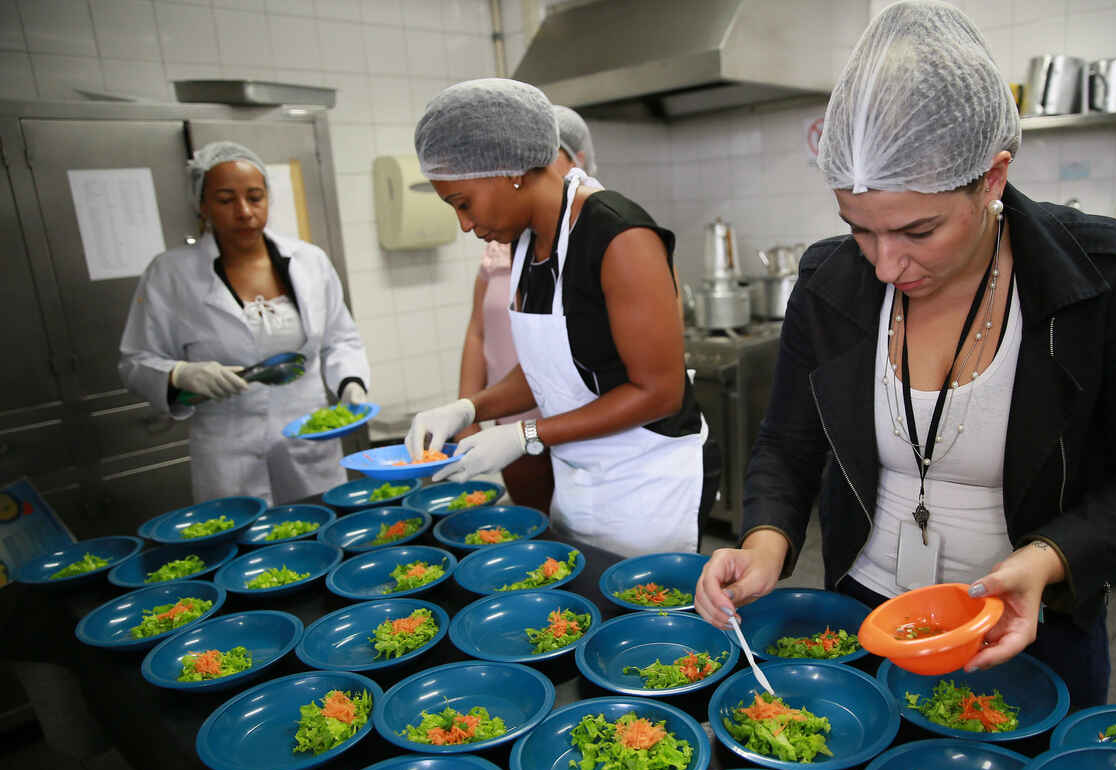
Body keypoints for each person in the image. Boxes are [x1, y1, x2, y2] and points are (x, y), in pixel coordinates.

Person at [693, 0, 1116, 707]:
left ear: (992, 176)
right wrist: (765, 541)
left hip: (1022, 627)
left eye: (918, 230)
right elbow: (787, 443)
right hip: (863, 619)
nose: (883, 265)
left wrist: (1048, 558)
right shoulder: (829, 281)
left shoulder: (1104, 277)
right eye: (859, 229)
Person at [406, 79, 707, 557]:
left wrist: (527, 434)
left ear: (509, 170)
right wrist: (469, 408)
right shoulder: (526, 241)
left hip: (644, 487)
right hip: (577, 479)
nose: (464, 224)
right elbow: (554, 368)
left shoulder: (618, 235)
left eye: (463, 203)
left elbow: (661, 392)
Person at [119, 141, 371, 506]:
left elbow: (341, 339)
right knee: (246, 551)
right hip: (229, 457)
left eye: (255, 197)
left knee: (319, 536)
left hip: (309, 447)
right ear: (202, 205)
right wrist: (179, 375)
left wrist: (351, 384)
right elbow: (135, 360)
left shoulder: (309, 261)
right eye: (225, 200)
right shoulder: (170, 274)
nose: (244, 212)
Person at [456, 105, 602, 513]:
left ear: (578, 161)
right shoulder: (505, 243)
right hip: (512, 413)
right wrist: (467, 407)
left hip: (589, 425)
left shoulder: (607, 234)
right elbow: (478, 330)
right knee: (537, 532)